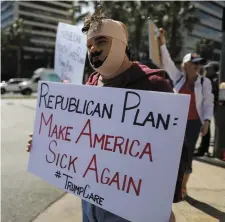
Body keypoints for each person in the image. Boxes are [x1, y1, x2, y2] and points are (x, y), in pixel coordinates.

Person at [26, 9, 190, 222]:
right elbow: (79, 134)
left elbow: (178, 150)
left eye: (101, 41)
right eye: (89, 45)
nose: (93, 49)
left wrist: (161, 203)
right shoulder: (91, 84)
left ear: (121, 44)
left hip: (130, 206)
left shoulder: (153, 85)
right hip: (90, 198)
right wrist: (45, 140)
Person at [158, 28, 214, 198]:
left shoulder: (205, 82)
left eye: (199, 64)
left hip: (193, 123)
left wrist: (206, 121)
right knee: (172, 152)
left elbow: (208, 103)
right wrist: (162, 42)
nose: (197, 66)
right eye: (194, 63)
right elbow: (166, 61)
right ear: (186, 64)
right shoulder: (178, 77)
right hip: (176, 121)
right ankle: (170, 184)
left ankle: (183, 187)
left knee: (187, 154)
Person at [195, 62, 219, 157]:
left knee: (208, 128)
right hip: (207, 106)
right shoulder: (207, 79)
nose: (206, 70)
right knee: (205, 128)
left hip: (213, 107)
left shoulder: (215, 80)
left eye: (209, 68)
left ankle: (204, 149)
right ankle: (203, 148)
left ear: (213, 69)